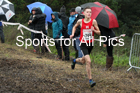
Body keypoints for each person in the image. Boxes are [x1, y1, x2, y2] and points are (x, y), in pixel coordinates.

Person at [70, 7, 100, 87]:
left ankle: (74, 60)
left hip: (90, 44)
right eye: (87, 12)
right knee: (88, 61)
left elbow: (99, 32)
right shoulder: (80, 21)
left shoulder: (94, 21)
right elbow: (74, 27)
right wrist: (72, 34)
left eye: (90, 12)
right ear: (84, 13)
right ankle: (90, 80)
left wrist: (94, 30)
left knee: (83, 61)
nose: (89, 13)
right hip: (83, 44)